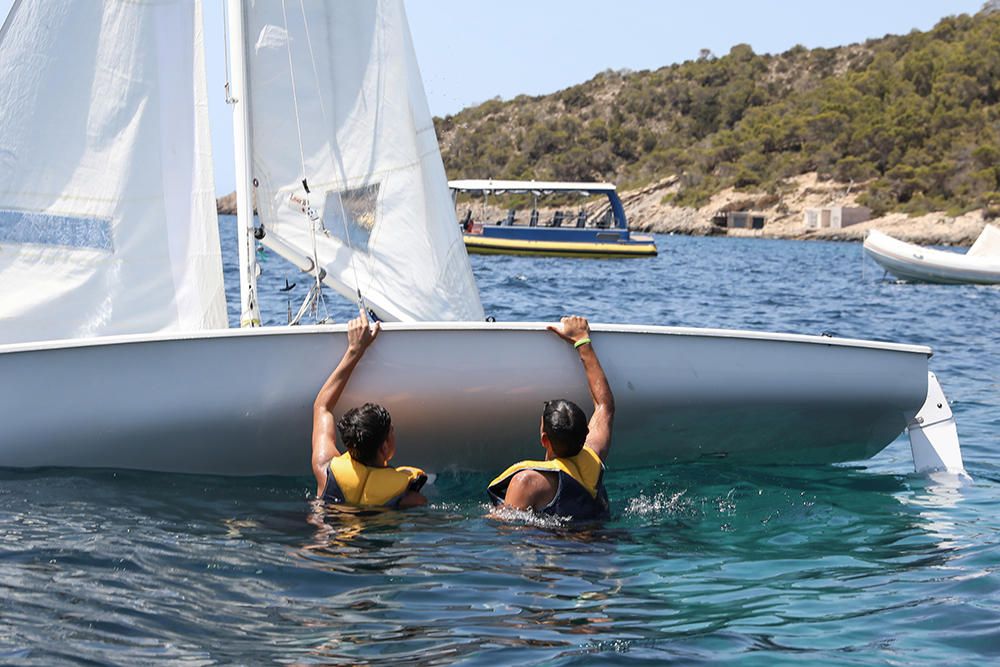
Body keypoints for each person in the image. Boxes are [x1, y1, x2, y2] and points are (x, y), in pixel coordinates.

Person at [487, 316, 615, 520]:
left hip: (558, 550)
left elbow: (503, 530)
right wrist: (582, 340)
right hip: (601, 545)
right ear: (585, 433)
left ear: (545, 439)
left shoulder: (527, 482)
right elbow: (604, 406)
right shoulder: (594, 454)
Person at [311, 314, 428, 509]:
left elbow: (322, 407)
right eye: (392, 431)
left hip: (328, 535)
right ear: (384, 448)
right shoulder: (410, 500)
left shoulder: (325, 471)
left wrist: (354, 350)